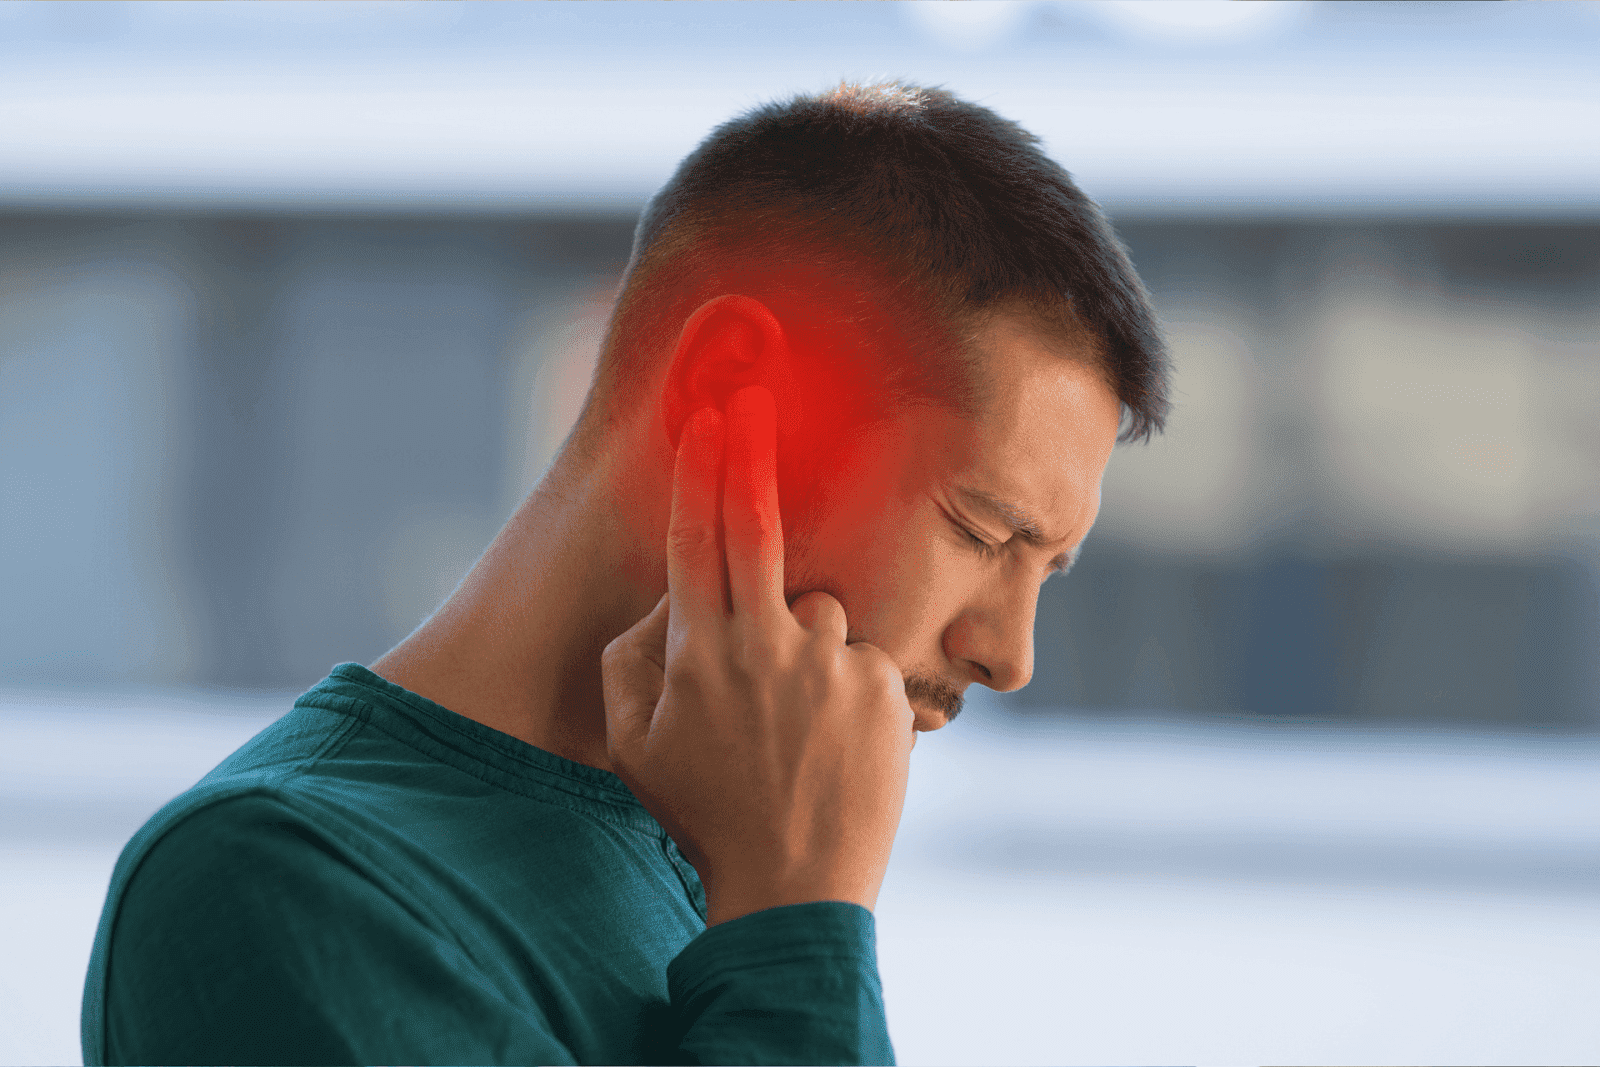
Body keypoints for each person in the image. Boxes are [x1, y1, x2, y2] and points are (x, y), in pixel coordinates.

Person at [82, 79, 1169, 1066]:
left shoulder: (726, 835)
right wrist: (796, 925)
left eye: (1050, 570)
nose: (1010, 655)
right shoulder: (278, 885)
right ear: (733, 383)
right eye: (981, 530)